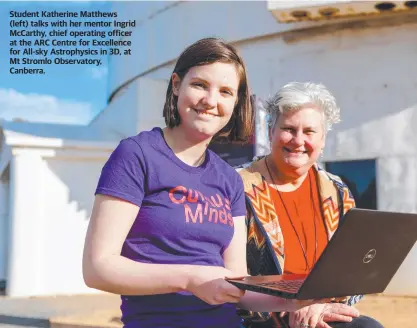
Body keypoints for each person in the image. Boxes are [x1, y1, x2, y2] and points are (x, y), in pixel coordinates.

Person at [82, 39, 324, 328]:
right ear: (176, 85)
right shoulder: (137, 155)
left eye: (225, 92)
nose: (211, 101)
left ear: (236, 103)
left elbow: (237, 286)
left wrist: (301, 301)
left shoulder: (229, 179)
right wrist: (190, 278)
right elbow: (98, 268)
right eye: (199, 85)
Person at [237, 82, 384, 328]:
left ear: (323, 139)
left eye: (309, 131)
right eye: (288, 128)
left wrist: (320, 307)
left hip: (323, 312)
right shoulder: (237, 186)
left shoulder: (337, 191)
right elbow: (228, 278)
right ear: (270, 131)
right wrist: (290, 307)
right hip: (261, 317)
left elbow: (354, 272)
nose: (298, 140)